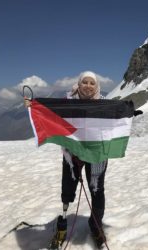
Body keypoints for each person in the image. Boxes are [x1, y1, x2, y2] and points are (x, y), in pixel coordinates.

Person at [24, 71, 108, 248]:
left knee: (97, 190)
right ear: (78, 84)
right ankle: (62, 226)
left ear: (97, 86)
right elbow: (48, 113)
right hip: (72, 153)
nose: (88, 86)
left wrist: (129, 113)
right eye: (84, 82)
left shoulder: (104, 104)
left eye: (92, 83)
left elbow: (116, 118)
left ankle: (96, 226)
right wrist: (33, 106)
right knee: (67, 188)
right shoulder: (66, 103)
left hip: (96, 153)